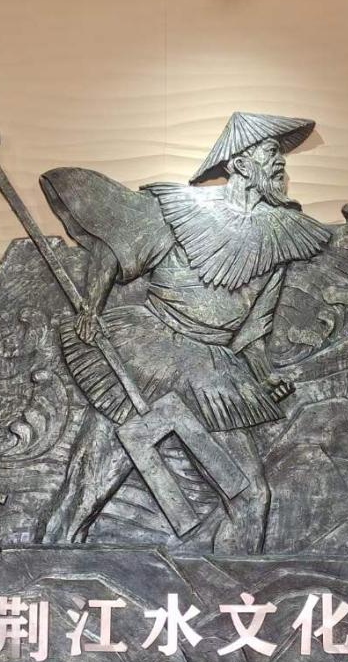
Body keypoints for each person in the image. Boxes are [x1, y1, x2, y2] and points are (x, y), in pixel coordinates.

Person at [37, 111, 332, 552]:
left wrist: (263, 375)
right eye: (271, 152)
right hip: (147, 350)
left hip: (214, 370)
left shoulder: (281, 234)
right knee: (91, 479)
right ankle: (49, 561)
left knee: (252, 496)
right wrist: (92, 307)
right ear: (240, 162)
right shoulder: (181, 209)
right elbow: (115, 248)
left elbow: (256, 324)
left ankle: (235, 587)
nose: (280, 163)